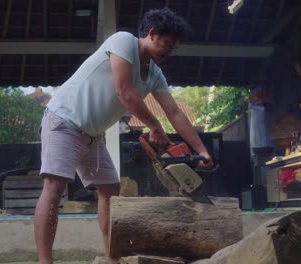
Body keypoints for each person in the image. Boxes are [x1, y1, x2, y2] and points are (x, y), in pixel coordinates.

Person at [34, 8, 214, 264]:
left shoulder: (154, 74)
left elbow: (174, 111)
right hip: (64, 120)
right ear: (152, 34)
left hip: (92, 134)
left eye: (174, 48)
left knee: (110, 188)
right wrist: (155, 126)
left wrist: (201, 150)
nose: (170, 51)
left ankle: (112, 257)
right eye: (167, 44)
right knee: (54, 186)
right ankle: (45, 262)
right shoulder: (123, 41)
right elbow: (124, 91)